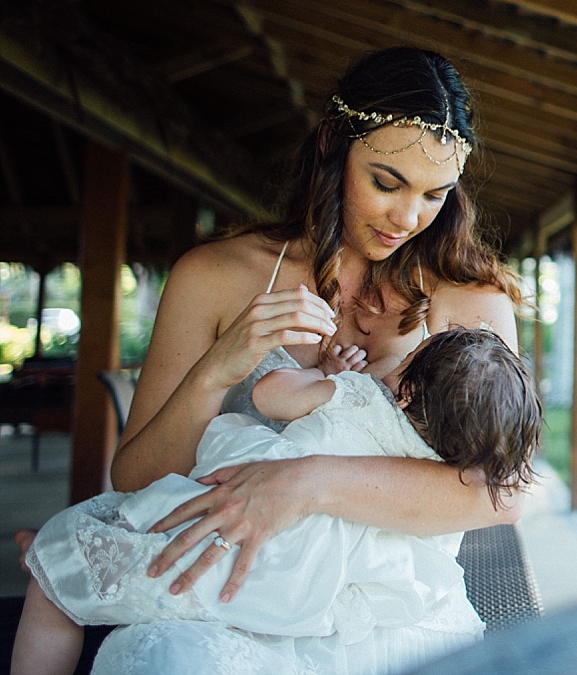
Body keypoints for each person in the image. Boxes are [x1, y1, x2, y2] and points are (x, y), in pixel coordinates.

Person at [29, 47, 528, 675]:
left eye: (436, 193)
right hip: (227, 600)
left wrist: (304, 483)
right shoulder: (216, 276)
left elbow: (501, 494)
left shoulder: (468, 300)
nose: (408, 217)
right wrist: (220, 368)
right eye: (385, 182)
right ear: (331, 146)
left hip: (390, 609)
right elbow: (135, 477)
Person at [13, 326, 544, 675]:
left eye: (409, 357)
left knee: (62, 563)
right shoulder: (440, 467)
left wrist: (327, 375)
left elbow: (271, 396)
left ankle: (64, 556)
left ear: (404, 389)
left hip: (257, 543)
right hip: (324, 589)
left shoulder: (361, 393)